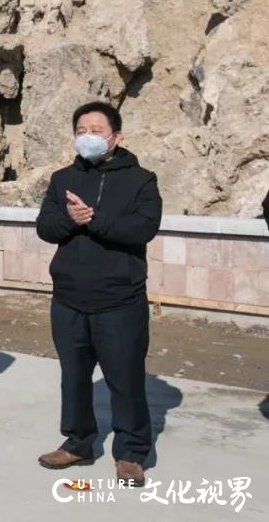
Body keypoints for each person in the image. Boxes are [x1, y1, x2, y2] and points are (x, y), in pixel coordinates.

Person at [36, 101, 162, 488]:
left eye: (96, 129)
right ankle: (78, 442)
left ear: (116, 137)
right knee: (73, 376)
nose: (87, 136)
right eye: (81, 130)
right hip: (69, 299)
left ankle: (131, 453)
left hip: (119, 301)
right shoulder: (61, 179)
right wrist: (68, 219)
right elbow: (45, 226)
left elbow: (142, 229)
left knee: (125, 379)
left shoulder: (141, 179)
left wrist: (94, 219)